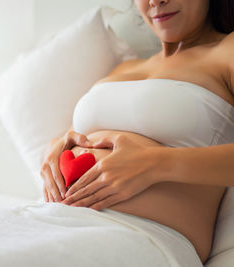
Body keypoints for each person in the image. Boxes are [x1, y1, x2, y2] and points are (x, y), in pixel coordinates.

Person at [40, 0, 234, 264]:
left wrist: (156, 163)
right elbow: (76, 135)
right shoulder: (122, 69)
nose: (156, 1)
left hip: (140, 238)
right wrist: (52, 150)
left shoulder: (227, 51)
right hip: (46, 219)